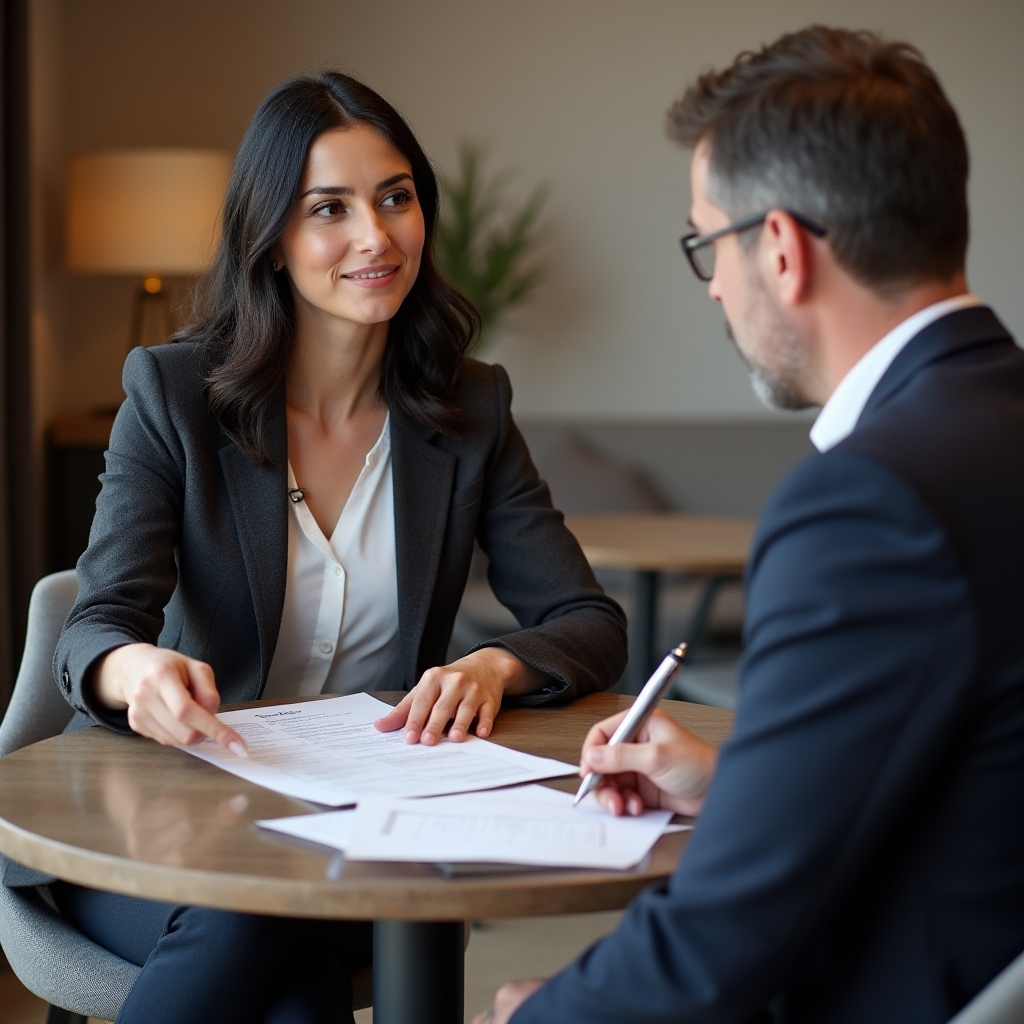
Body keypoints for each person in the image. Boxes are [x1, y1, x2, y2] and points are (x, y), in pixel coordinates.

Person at [3, 72, 626, 1024]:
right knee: (270, 955)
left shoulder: (470, 410)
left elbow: (587, 620)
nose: (376, 237)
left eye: (395, 198)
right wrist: (138, 673)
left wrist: (496, 665)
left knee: (281, 957)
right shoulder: (174, 395)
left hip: (360, 829)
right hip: (168, 821)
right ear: (274, 238)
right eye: (328, 209)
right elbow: (95, 626)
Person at [476, 26, 1024, 1024]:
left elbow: (719, 941)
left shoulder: (866, 503)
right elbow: (967, 784)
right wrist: (741, 785)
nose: (716, 287)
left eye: (705, 245)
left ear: (778, 247)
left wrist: (532, 1015)